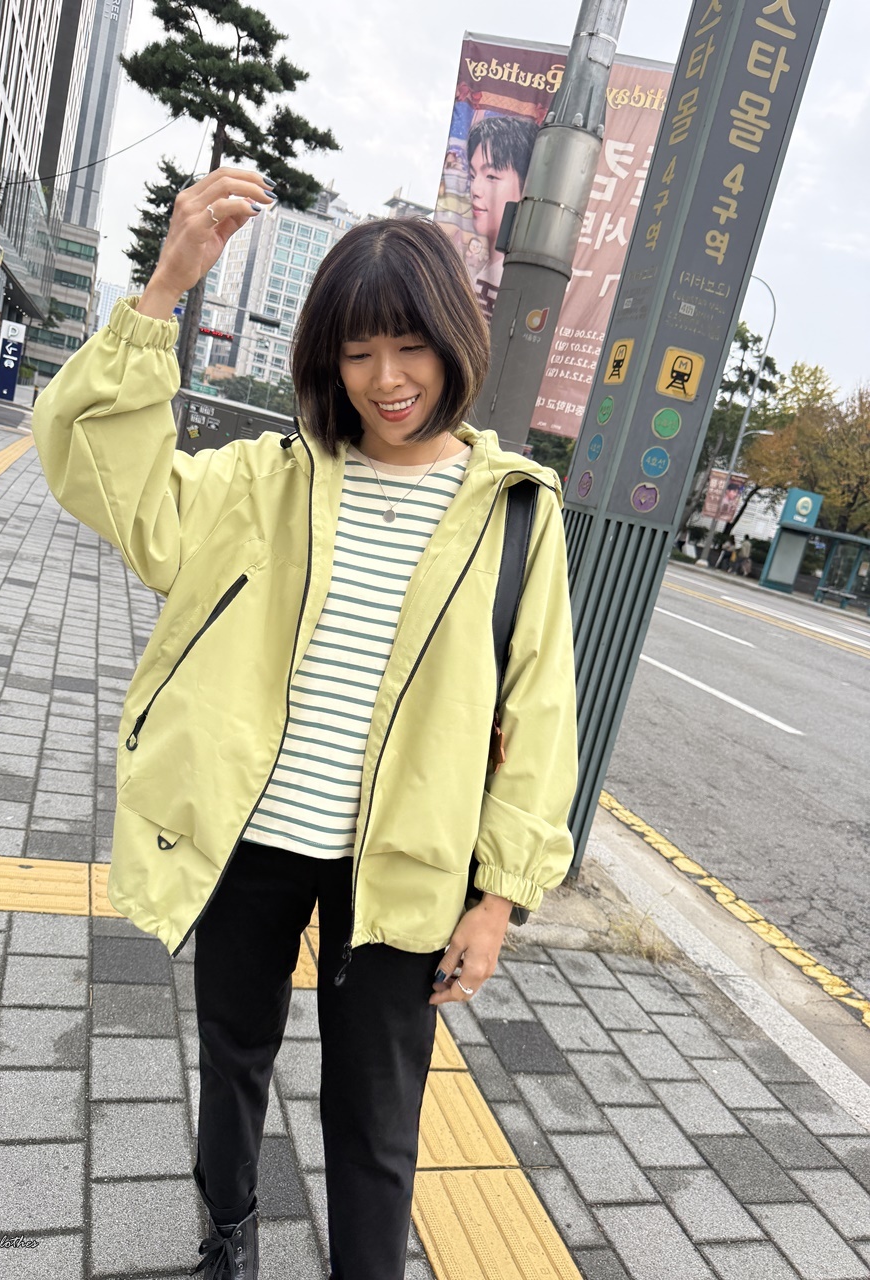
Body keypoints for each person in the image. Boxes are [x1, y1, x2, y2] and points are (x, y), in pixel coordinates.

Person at [31, 166, 578, 1280]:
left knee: (376, 1109)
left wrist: (500, 896)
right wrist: (164, 291)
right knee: (233, 1053)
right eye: (359, 351)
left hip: (406, 862)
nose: (388, 379)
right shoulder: (264, 480)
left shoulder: (517, 511)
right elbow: (101, 476)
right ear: (328, 357)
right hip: (255, 835)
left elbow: (540, 712)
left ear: (454, 342)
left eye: (411, 346)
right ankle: (226, 1236)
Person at [465, 114, 539, 317]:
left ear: (528, 185)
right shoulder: (480, 268)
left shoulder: (522, 279)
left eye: (491, 176)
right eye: (472, 175)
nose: (475, 189)